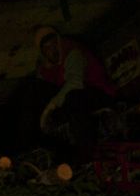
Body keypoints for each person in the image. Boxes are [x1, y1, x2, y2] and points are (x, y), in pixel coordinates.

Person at [33, 25, 119, 157]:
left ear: (59, 42)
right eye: (47, 48)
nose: (53, 50)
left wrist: (50, 106)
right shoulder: (49, 69)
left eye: (54, 44)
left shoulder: (73, 53)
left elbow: (75, 83)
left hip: (100, 95)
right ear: (43, 53)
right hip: (81, 101)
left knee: (73, 97)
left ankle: (88, 151)